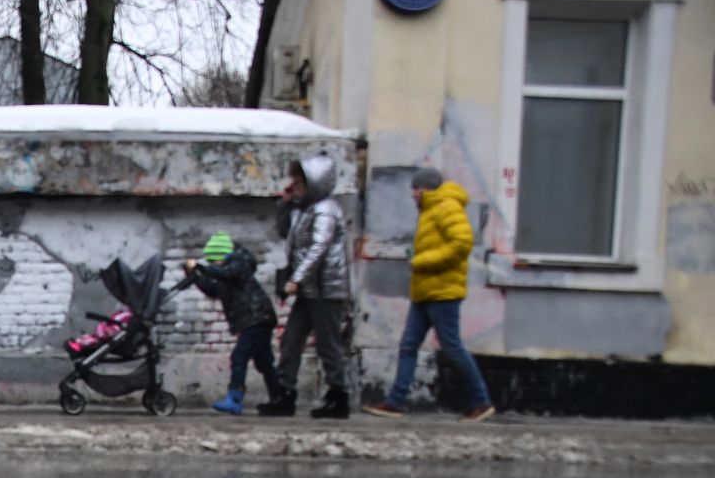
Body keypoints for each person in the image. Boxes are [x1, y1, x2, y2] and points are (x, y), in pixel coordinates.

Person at [362, 168, 497, 422]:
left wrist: (422, 260)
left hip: (443, 292)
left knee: (452, 347)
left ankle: (481, 402)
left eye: (416, 189)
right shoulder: (431, 210)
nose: (413, 194)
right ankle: (395, 402)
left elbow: (462, 243)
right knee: (409, 345)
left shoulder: (446, 206)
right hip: (426, 291)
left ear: (427, 188)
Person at [262, 154, 352, 420]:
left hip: (326, 289)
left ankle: (338, 397)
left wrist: (295, 279)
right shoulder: (304, 210)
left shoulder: (326, 209)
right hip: (309, 290)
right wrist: (284, 204)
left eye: (300, 181)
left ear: (314, 182)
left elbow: (319, 248)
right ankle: (284, 394)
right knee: (291, 340)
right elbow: (283, 232)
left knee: (328, 344)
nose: (296, 185)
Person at [185, 231, 287, 416]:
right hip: (254, 320)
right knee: (264, 363)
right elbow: (213, 289)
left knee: (239, 356)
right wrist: (195, 276)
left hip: (256, 318)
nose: (213, 265)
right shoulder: (226, 272)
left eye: (213, 260)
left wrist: (199, 266)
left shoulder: (239, 264)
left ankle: (235, 398)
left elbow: (226, 273)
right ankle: (279, 399)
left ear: (221, 255)